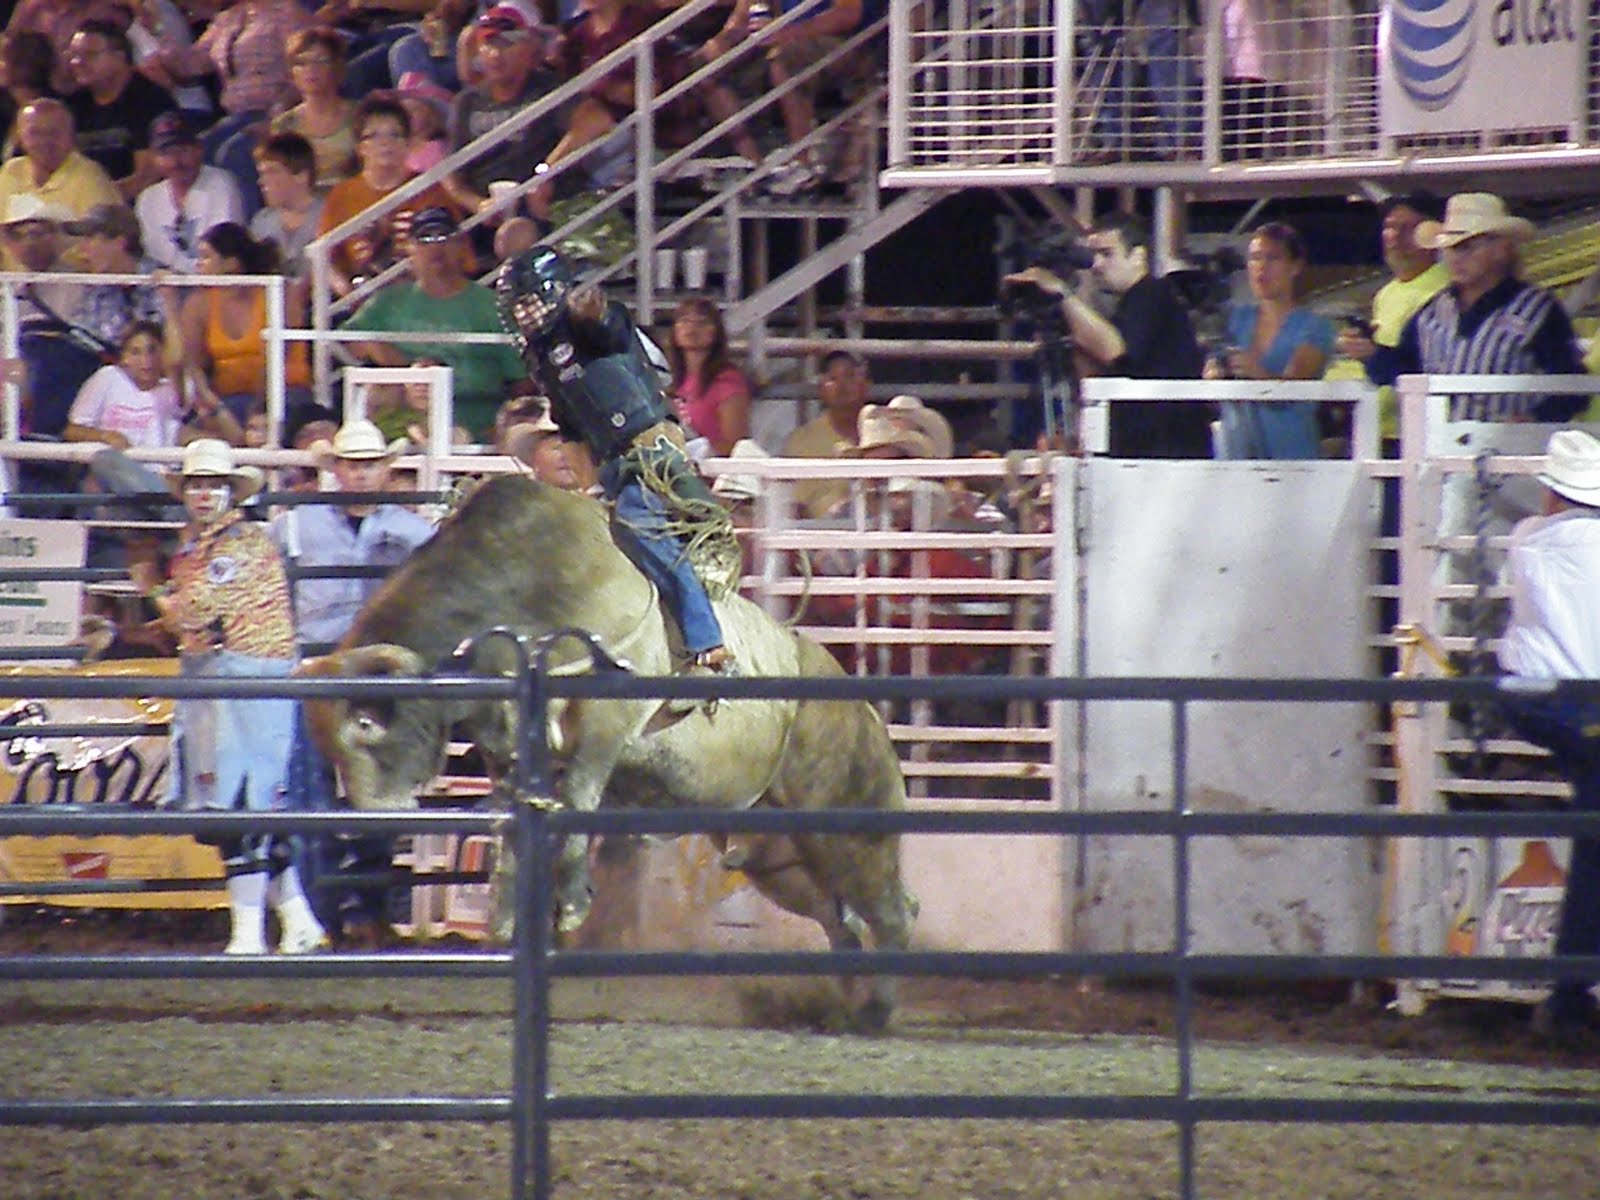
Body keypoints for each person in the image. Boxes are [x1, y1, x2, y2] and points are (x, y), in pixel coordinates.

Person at [126, 438, 328, 956]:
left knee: (242, 801)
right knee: (238, 803)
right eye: (195, 484)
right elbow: (191, 619)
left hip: (248, 679)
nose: (202, 493)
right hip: (221, 676)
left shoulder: (237, 546)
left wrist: (150, 589)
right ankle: (297, 921)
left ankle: (248, 933)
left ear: (229, 491)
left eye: (212, 484)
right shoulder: (202, 548)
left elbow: (194, 611)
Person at [496, 243, 737, 677]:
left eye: (530, 302)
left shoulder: (589, 323)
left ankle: (707, 640)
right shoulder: (542, 356)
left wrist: (595, 313)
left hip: (648, 446)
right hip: (611, 462)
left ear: (554, 293)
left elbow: (610, 330)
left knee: (636, 521)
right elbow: (569, 425)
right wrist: (590, 489)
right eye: (519, 307)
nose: (524, 314)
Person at [272, 418, 436, 942]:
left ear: (385, 470)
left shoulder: (415, 534)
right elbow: (273, 595)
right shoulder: (294, 525)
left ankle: (367, 908)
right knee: (313, 789)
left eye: (369, 465)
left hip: (376, 675)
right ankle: (325, 913)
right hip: (316, 671)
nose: (360, 475)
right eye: (351, 465)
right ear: (336, 469)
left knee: (376, 790)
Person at [1495, 429, 1600, 1038]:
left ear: (1553, 493)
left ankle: (1570, 993)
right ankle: (1569, 993)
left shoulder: (1528, 539)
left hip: (1538, 700)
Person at [1004, 211, 1208, 457]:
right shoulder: (1129, 305)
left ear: (1138, 256)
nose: (1097, 265)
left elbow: (1115, 349)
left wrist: (1062, 293)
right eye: (1095, 255)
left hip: (1165, 451)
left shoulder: (1153, 295)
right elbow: (1098, 371)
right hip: (1138, 449)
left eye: (1107, 254)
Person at [343, 206, 531, 441]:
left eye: (444, 238)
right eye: (424, 239)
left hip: (474, 427)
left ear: (460, 245)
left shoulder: (493, 306)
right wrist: (405, 367)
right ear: (409, 248)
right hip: (404, 423)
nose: (435, 248)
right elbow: (348, 343)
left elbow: (522, 381)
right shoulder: (389, 300)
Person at [1328, 192, 1449, 449]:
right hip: (1380, 426)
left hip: (1417, 432)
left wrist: (1373, 354)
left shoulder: (1445, 291)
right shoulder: (1386, 293)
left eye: (1407, 229)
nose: (1394, 237)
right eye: (1389, 227)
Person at [1207, 221, 1334, 460]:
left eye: (1273, 258)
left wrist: (1256, 371)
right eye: (1255, 258)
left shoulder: (1315, 327)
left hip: (1292, 458)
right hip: (1235, 458)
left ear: (1295, 266)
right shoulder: (1234, 320)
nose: (1261, 267)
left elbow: (1295, 385)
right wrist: (1213, 375)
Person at [317, 93, 457, 298]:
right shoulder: (342, 194)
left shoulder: (428, 188)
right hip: (360, 298)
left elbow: (454, 256)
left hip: (418, 294)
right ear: (360, 147)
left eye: (395, 134)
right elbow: (322, 258)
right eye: (374, 135)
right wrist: (345, 292)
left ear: (408, 144)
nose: (385, 143)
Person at [174, 221, 312, 426]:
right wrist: (212, 403)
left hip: (286, 393)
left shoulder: (279, 292)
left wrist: (255, 411)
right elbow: (194, 364)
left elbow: (278, 359)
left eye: (206, 257)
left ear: (231, 264)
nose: (198, 264)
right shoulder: (198, 303)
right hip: (228, 400)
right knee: (188, 435)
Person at [439, 6, 565, 222]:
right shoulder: (467, 101)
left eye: (506, 44)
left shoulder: (548, 88)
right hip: (485, 215)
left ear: (527, 48)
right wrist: (478, 205)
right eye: (489, 44)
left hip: (541, 207)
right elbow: (449, 174)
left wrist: (544, 173)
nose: (496, 54)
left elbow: (595, 121)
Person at [65, 318, 240, 449]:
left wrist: (169, 301)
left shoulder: (171, 390)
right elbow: (72, 431)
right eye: (135, 352)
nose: (145, 360)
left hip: (159, 476)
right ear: (124, 358)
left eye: (152, 350)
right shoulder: (107, 377)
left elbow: (177, 361)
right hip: (111, 469)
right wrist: (105, 436)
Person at [63, 18, 176, 202]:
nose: (77, 62)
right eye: (74, 54)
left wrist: (95, 200)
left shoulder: (151, 100)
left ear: (120, 57)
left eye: (89, 55)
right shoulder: (74, 104)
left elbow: (147, 177)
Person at [0, 97, 120, 267]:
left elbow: (103, 252)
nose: (44, 141)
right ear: (20, 136)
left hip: (73, 286)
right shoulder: (10, 171)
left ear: (71, 136)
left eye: (54, 133)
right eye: (35, 133)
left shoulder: (90, 178)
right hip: (10, 288)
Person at [134, 110, 244, 274]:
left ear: (199, 149)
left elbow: (225, 253)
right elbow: (151, 260)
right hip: (166, 290)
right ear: (153, 157)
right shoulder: (148, 199)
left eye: (183, 150)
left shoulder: (221, 184)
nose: (176, 161)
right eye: (166, 153)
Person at [65, 201, 168, 353]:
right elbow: (81, 339)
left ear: (119, 243)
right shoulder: (95, 291)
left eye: (90, 238)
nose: (82, 249)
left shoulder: (166, 283)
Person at [268, 28, 359, 193]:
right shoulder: (283, 126)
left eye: (320, 60)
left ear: (337, 66)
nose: (310, 69)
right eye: (301, 63)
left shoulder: (359, 115)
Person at [781, 348, 870, 517]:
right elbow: (796, 507)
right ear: (821, 387)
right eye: (832, 378)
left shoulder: (886, 432)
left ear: (867, 384)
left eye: (850, 376)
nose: (842, 385)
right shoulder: (802, 440)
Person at [667, 297, 752, 456]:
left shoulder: (727, 380)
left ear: (716, 332)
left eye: (702, 322)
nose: (691, 328)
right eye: (684, 320)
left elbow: (734, 445)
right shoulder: (671, 381)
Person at [248, 132, 324, 287]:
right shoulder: (261, 222)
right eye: (261, 174)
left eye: (271, 172)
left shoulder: (329, 215)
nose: (262, 182)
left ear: (301, 175)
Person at [502, 401, 586, 490]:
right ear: (534, 457)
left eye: (575, 448)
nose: (567, 456)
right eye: (557, 448)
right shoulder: (519, 500)